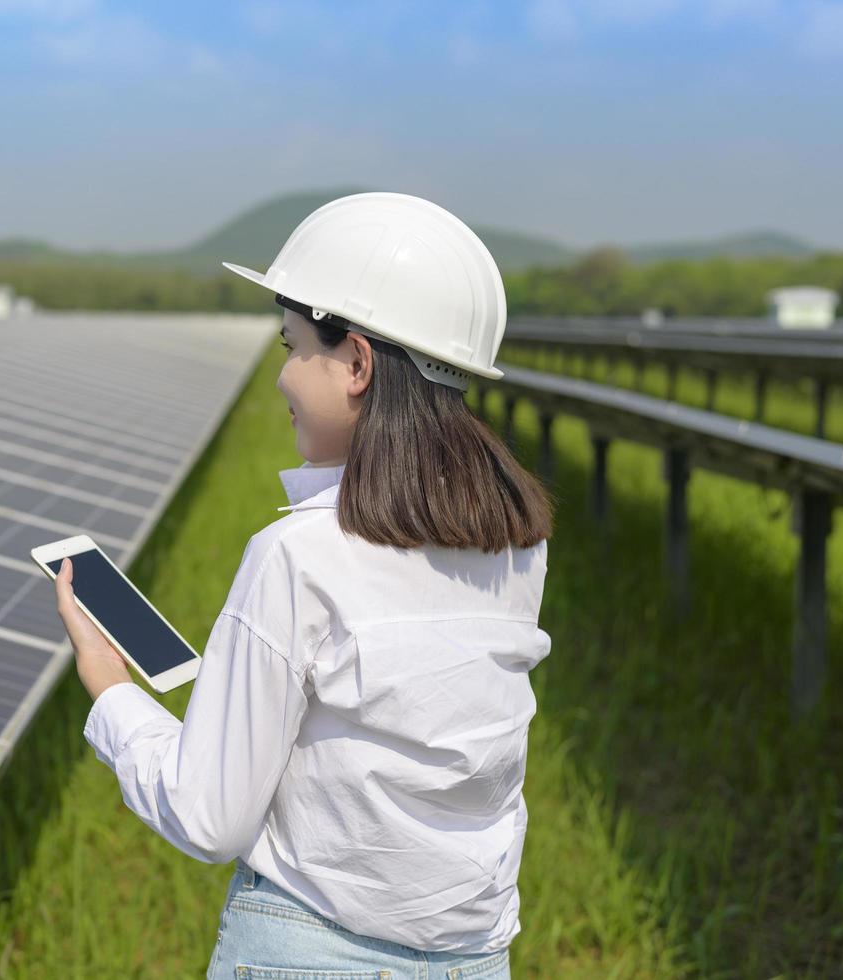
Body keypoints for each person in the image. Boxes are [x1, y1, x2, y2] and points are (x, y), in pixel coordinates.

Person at [52, 192, 553, 979]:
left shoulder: (299, 554)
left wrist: (109, 687)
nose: (282, 375)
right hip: (475, 960)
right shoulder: (518, 546)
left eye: (291, 346)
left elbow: (208, 818)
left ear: (355, 363)